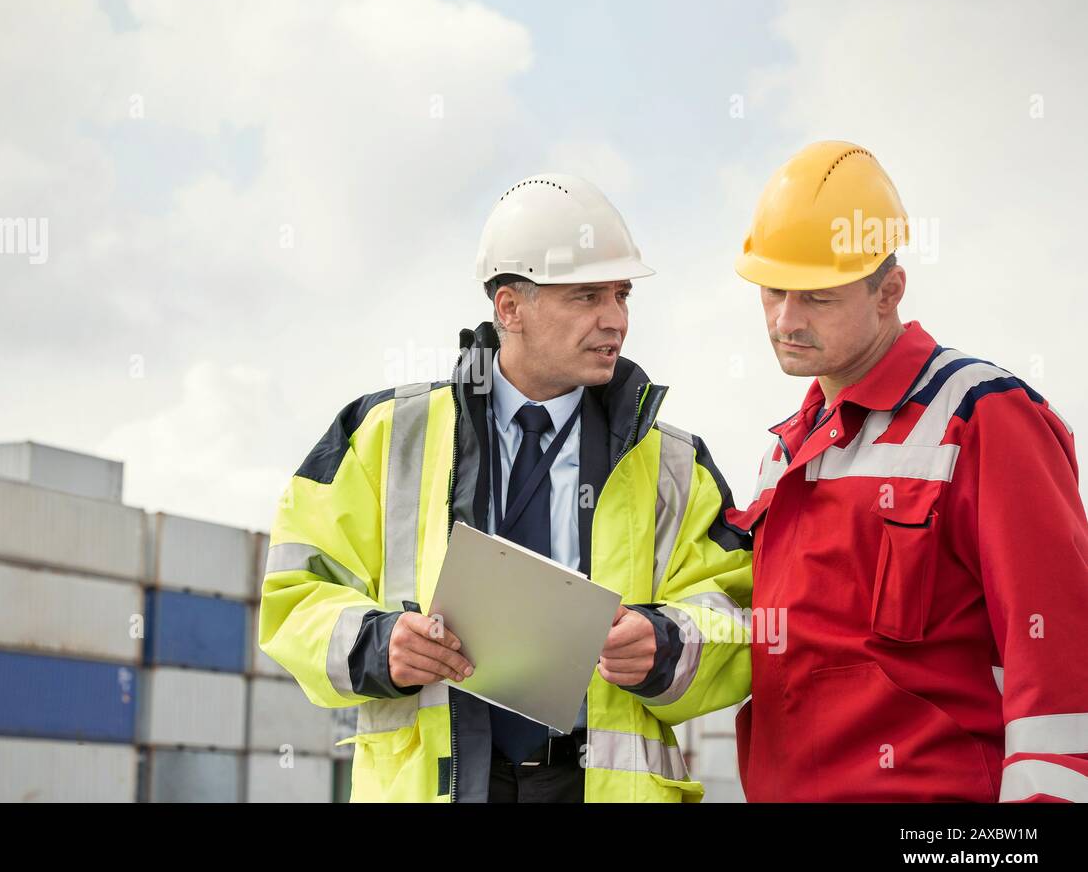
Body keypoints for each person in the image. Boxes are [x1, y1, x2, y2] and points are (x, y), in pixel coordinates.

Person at [259, 173, 752, 802]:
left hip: (596, 788)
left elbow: (739, 614)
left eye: (623, 295)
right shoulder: (384, 436)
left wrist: (665, 645)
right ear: (509, 307)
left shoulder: (676, 462)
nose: (616, 320)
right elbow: (294, 594)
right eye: (587, 296)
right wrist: (379, 646)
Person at [729, 140, 1088, 802]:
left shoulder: (983, 415)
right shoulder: (780, 459)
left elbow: (1060, 661)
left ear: (890, 290)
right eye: (773, 291)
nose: (786, 320)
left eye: (818, 298)